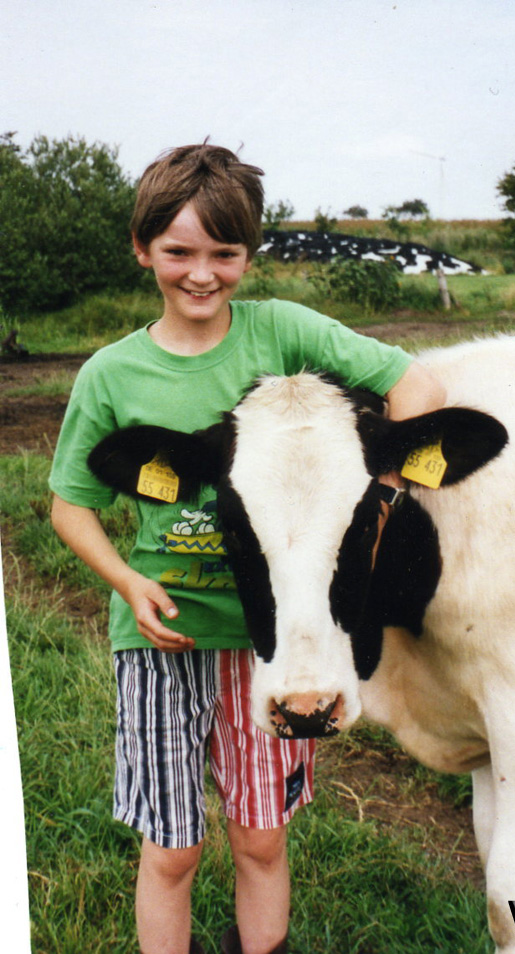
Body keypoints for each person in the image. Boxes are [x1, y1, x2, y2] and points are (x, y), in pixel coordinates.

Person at [48, 143, 446, 954]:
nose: (202, 274)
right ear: (142, 249)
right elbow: (71, 505)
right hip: (164, 639)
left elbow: (419, 388)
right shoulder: (111, 376)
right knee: (173, 847)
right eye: (179, 253)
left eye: (224, 255)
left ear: (247, 256)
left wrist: (380, 499)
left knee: (262, 838)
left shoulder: (282, 332)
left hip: (277, 647)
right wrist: (126, 580)